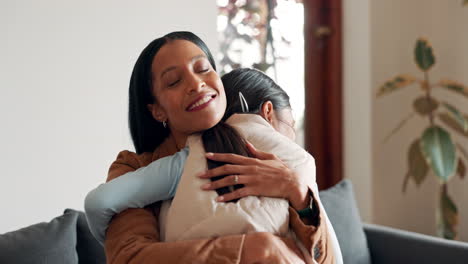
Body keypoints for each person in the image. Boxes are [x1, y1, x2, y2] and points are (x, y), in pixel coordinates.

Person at [98, 31, 338, 264]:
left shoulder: (258, 146)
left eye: (203, 69)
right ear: (156, 110)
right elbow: (129, 258)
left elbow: (324, 259)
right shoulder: (136, 168)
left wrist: (297, 192)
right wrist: (251, 249)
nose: (196, 84)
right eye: (174, 82)